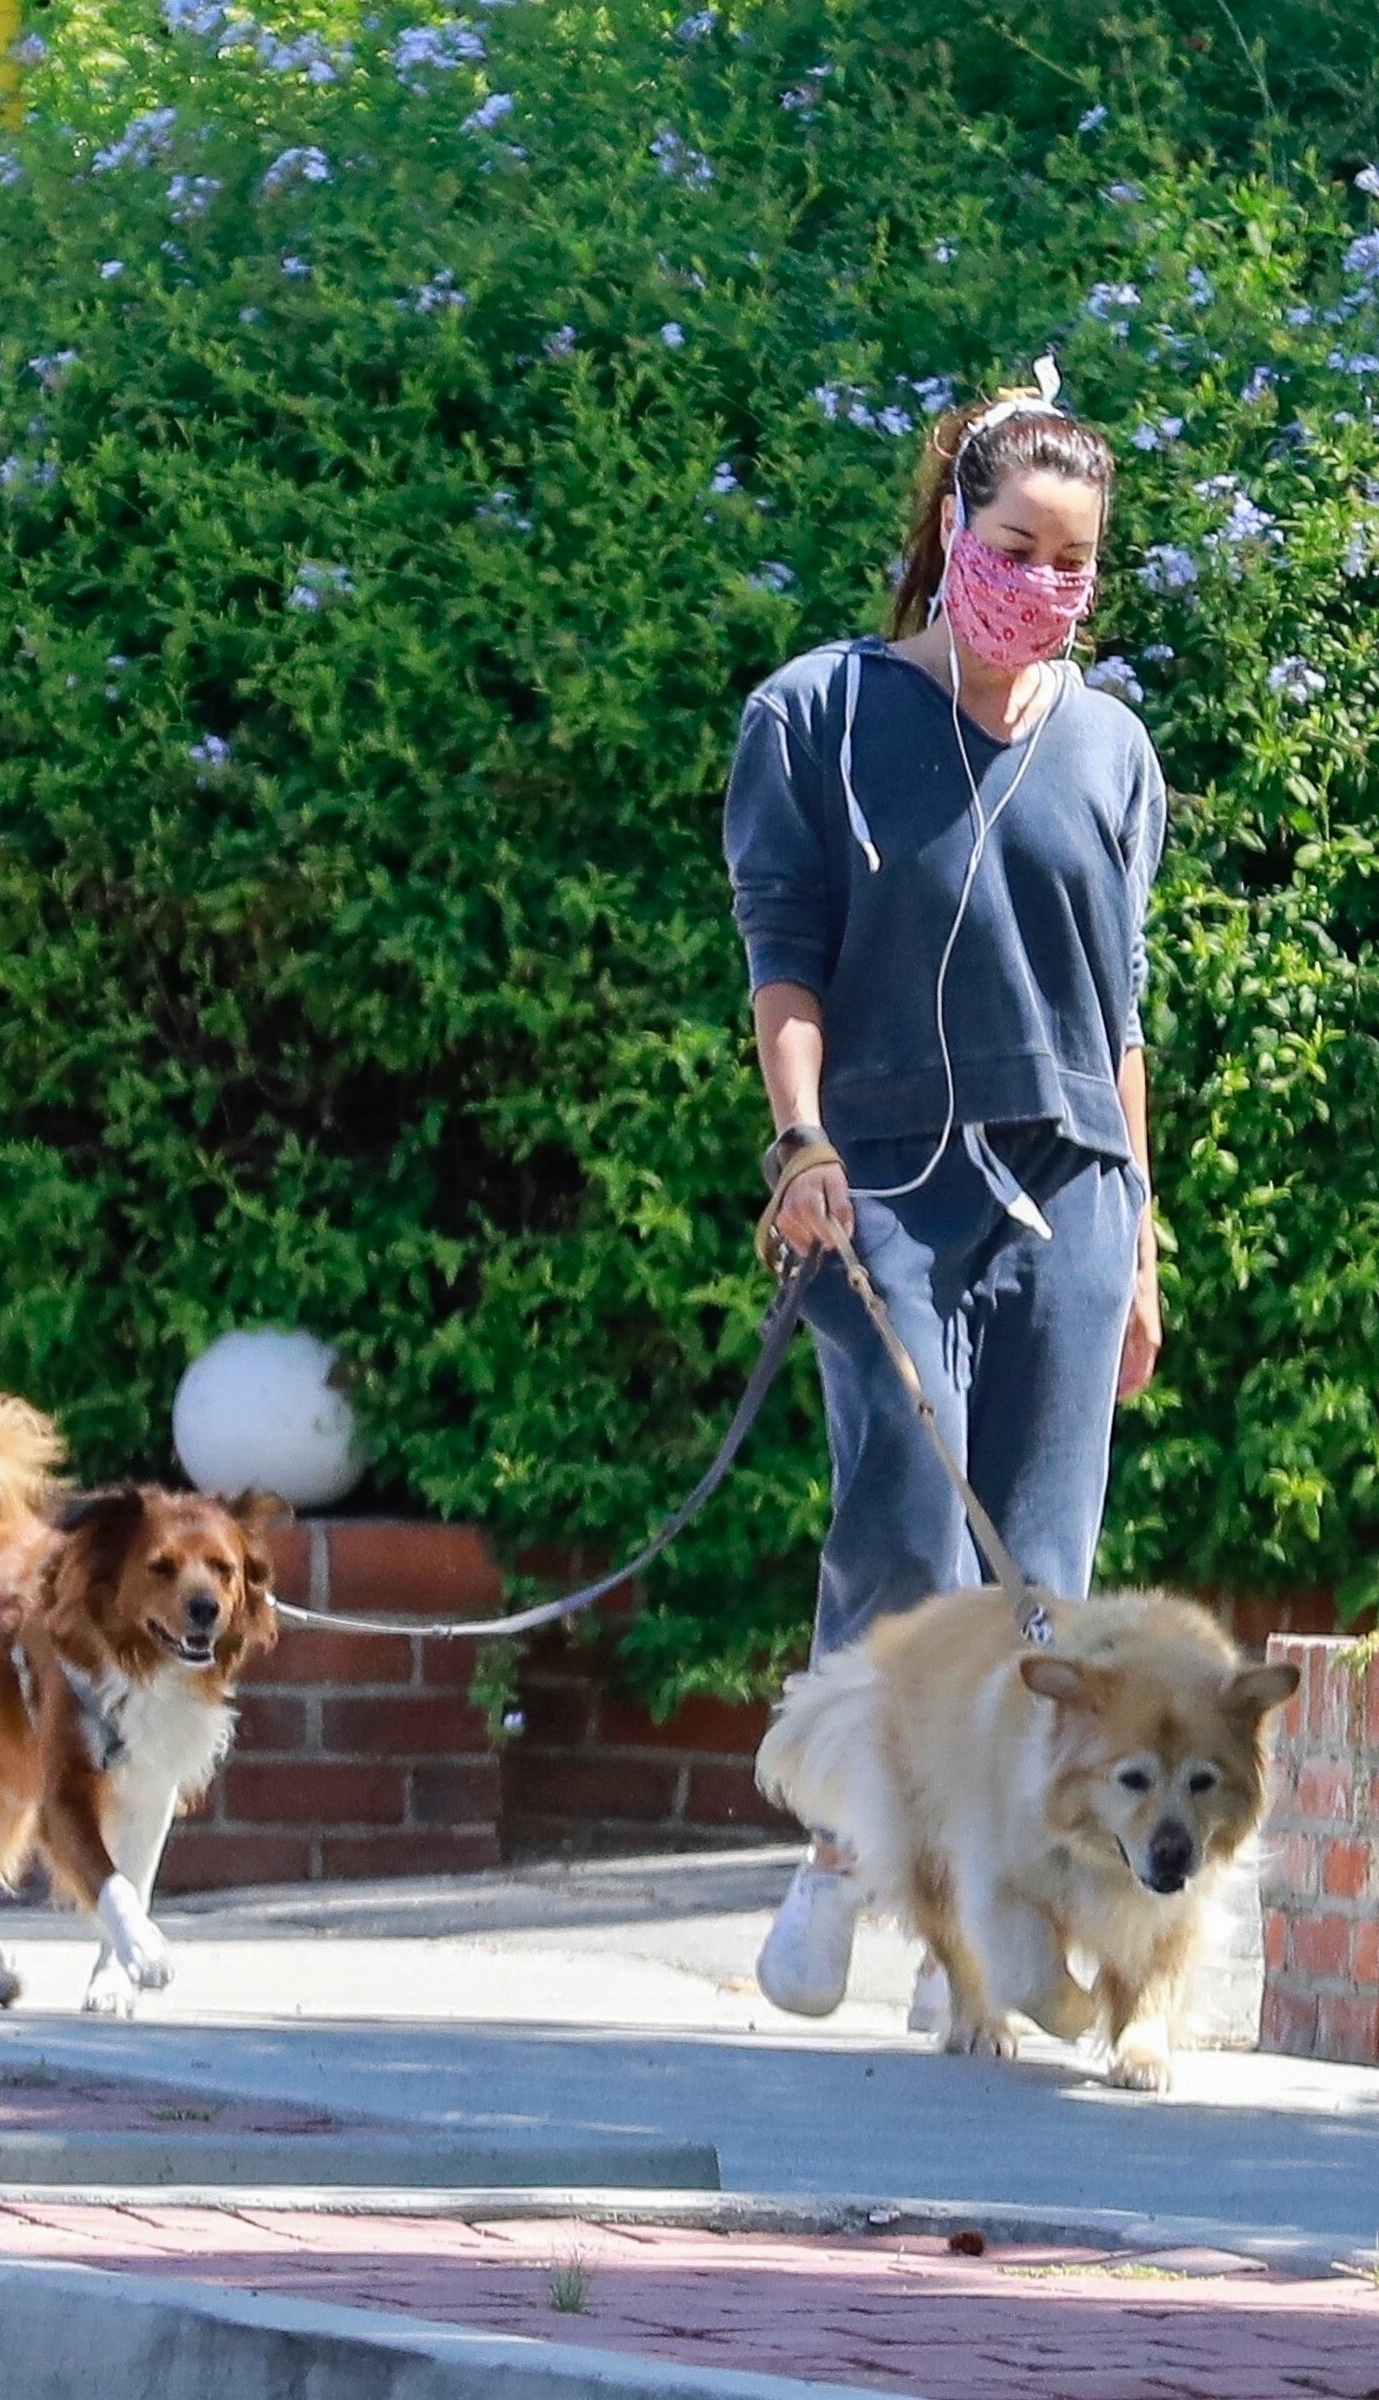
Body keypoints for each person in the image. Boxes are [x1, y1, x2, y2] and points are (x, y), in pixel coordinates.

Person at [723, 368, 1165, 2019]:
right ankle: (845, 1850)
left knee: (1042, 1576)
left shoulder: (1111, 749)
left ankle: (981, 1916)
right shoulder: (819, 716)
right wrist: (801, 1141)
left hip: (1073, 1183)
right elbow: (784, 958)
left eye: (1076, 561)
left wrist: (1139, 1243)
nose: (1045, 584)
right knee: (908, 1527)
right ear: (950, 528)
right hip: (885, 1183)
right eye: (1017, 547)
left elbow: (1122, 1016)